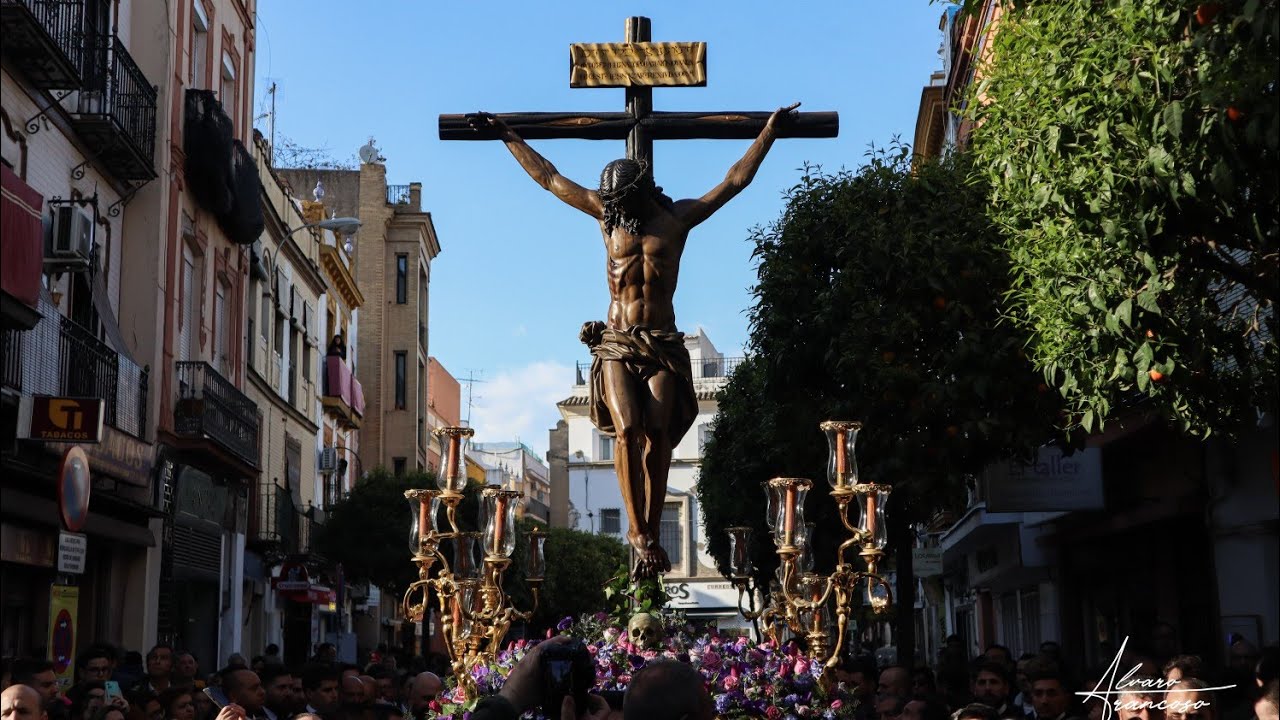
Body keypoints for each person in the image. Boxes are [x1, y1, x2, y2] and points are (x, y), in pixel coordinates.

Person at [468, 102, 800, 578]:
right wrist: (506, 133)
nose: (617, 212)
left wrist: (768, 132)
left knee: (660, 434)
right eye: (613, 206)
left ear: (640, 189)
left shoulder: (677, 219)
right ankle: (640, 532)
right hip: (620, 341)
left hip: (663, 342)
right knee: (626, 429)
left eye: (623, 203)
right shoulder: (608, 216)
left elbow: (733, 182)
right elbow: (549, 177)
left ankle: (646, 522)